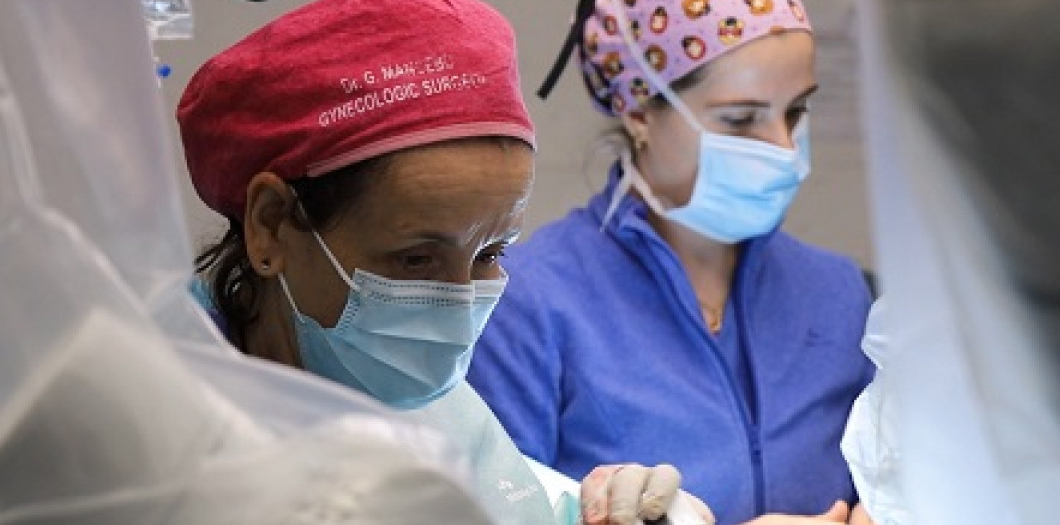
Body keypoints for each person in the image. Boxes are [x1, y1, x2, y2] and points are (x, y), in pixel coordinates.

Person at [176, 1, 714, 524]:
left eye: (491, 253)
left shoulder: (439, 413)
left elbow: (519, 499)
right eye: (415, 260)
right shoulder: (158, 436)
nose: (458, 310)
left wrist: (630, 508)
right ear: (270, 225)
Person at [466, 0, 873, 523]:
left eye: (796, 112)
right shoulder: (527, 301)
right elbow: (495, 510)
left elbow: (903, 480)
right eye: (742, 119)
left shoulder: (837, 291)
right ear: (638, 111)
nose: (783, 147)